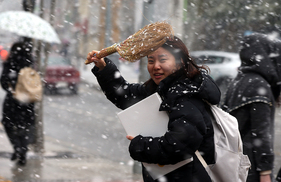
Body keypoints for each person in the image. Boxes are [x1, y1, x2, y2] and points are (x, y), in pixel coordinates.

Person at [86, 36, 221, 181]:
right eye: (151, 61)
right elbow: (125, 95)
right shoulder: (163, 89)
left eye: (163, 60)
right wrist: (103, 67)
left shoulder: (187, 97)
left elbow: (177, 147)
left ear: (180, 61)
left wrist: (140, 145)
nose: (155, 66)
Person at [221, 33, 281, 182]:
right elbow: (261, 134)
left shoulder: (237, 81)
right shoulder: (259, 85)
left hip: (232, 163)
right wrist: (265, 171)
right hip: (251, 168)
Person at [0, 41, 35, 166]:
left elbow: (3, 82)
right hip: (28, 101)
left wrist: (11, 88)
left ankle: (17, 148)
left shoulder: (9, 62)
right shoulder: (30, 63)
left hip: (12, 100)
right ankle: (23, 151)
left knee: (8, 124)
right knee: (24, 127)